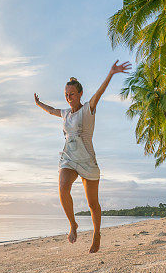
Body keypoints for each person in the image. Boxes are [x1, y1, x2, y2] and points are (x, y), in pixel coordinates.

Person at [34, 60, 131, 253]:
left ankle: (96, 234)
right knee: (62, 187)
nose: (68, 97)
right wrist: (38, 103)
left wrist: (111, 74)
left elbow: (99, 94)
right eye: (66, 95)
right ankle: (73, 224)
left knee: (92, 203)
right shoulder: (65, 114)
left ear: (79, 94)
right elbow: (52, 110)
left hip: (87, 159)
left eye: (71, 94)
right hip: (69, 157)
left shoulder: (88, 109)